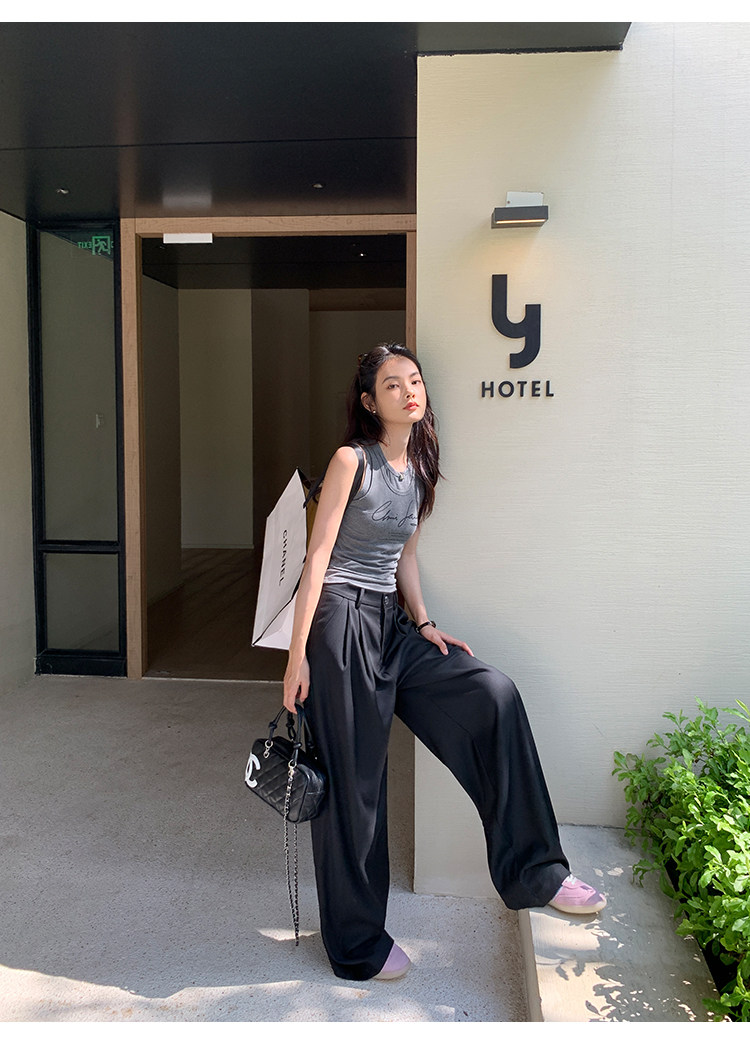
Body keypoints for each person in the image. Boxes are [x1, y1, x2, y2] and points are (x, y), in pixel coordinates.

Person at [282, 343, 606, 982]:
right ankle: (356, 945)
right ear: (369, 402)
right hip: (339, 622)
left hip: (390, 621)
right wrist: (296, 658)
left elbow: (405, 553)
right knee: (356, 784)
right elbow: (316, 558)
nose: (409, 391)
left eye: (415, 380)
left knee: (493, 695)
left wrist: (425, 623)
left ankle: (537, 871)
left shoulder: (421, 465)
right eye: (392, 384)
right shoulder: (352, 460)